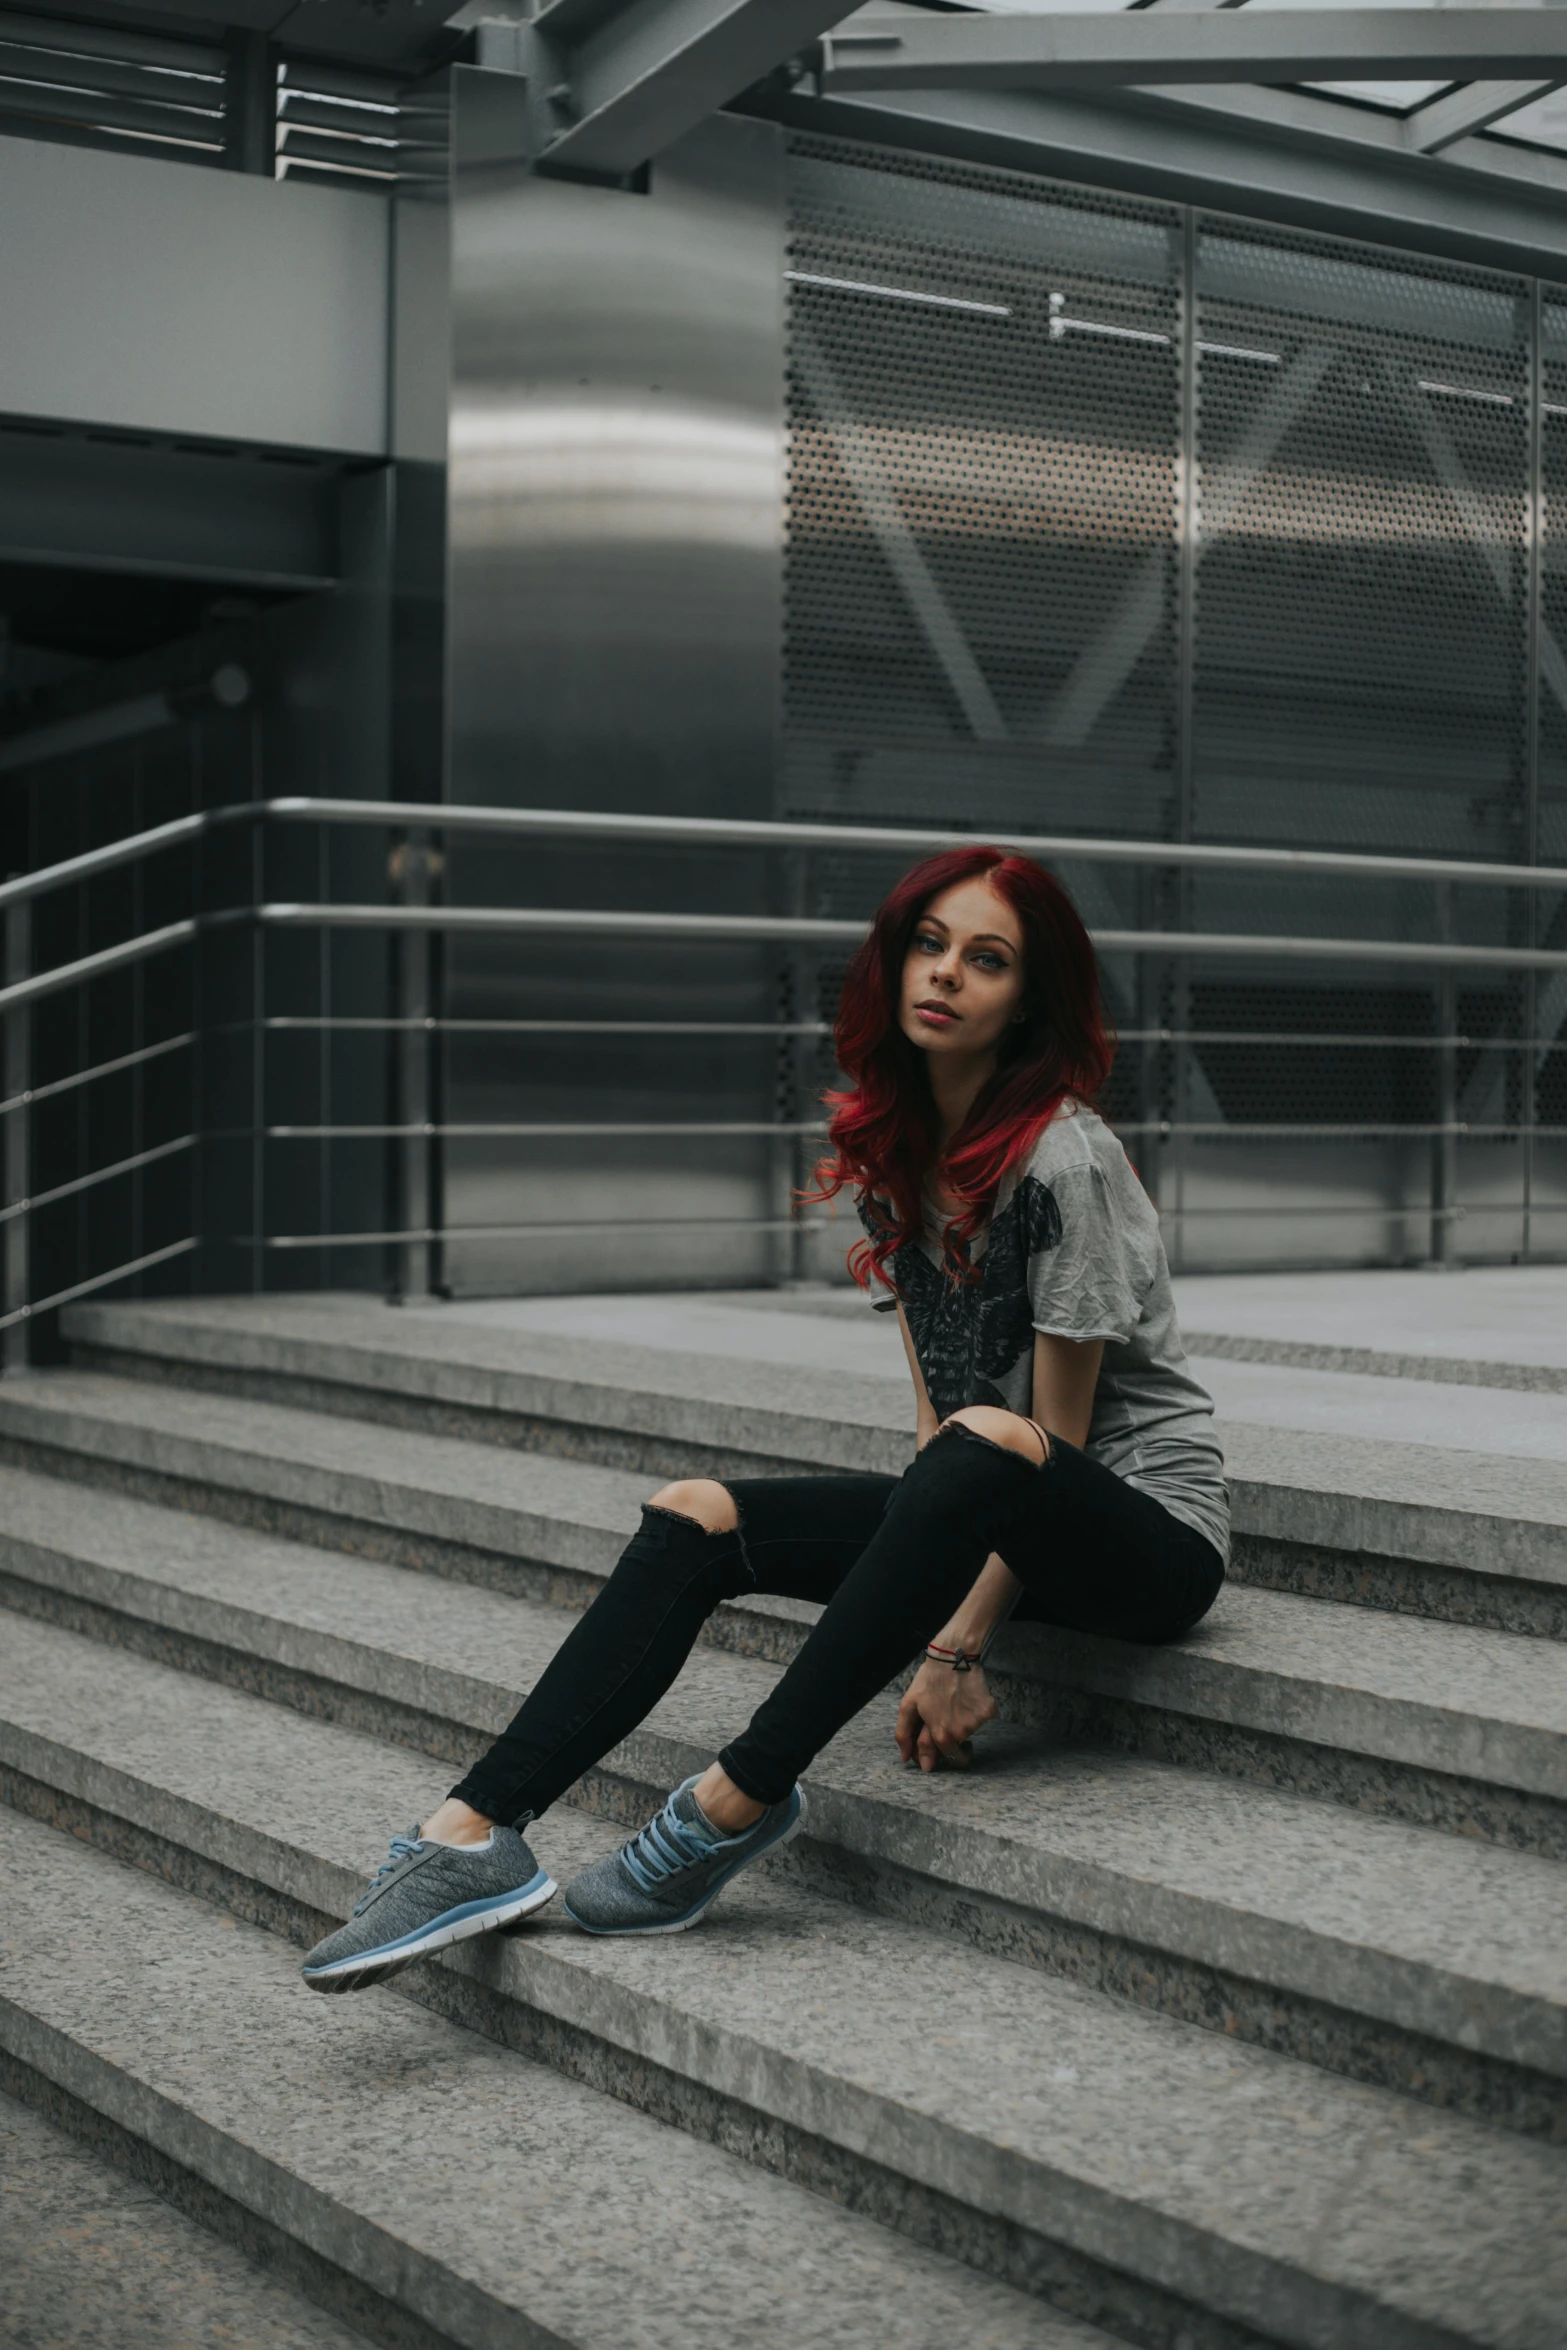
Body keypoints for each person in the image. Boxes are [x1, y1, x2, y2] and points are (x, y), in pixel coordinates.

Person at [302, 845, 1228, 1990]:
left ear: (1027, 999)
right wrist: (922, 1565)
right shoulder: (899, 1156)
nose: (944, 976)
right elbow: (941, 1411)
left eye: (984, 960)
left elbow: (1053, 1439)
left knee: (984, 1443)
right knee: (695, 1513)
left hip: (1142, 1530)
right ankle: (470, 1834)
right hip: (986, 1486)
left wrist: (953, 1641)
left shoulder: (1063, 1160)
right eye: (928, 946)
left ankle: (728, 1803)